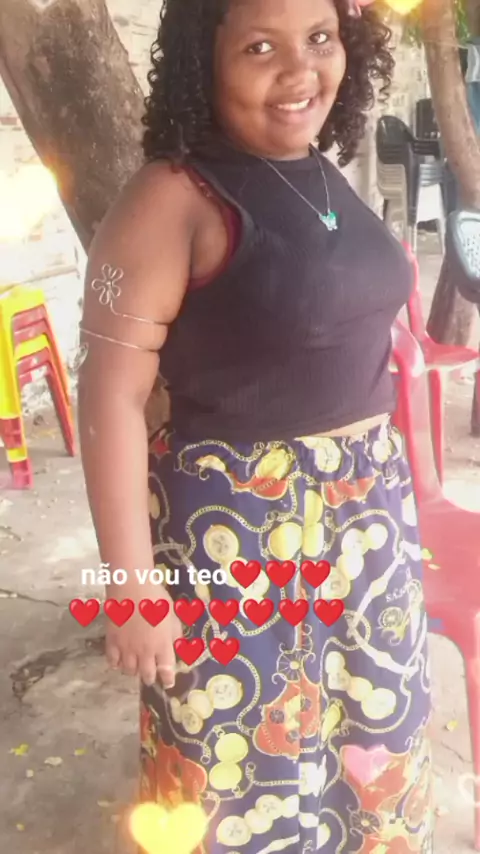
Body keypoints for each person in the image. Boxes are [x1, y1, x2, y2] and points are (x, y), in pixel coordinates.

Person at [77, 0, 433, 851]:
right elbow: (110, 396)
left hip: (365, 528)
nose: (300, 71)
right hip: (235, 535)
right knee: (236, 773)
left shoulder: (317, 170)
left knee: (370, 751)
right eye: (260, 48)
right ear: (205, 59)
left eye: (321, 39)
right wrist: (131, 588)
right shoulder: (172, 196)